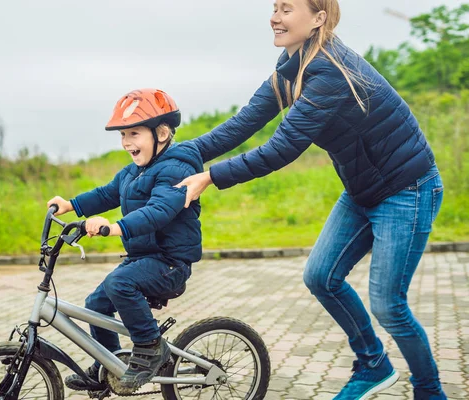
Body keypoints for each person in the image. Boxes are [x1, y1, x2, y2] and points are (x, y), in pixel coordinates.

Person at [175, 1, 446, 399]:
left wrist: (212, 176)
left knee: (388, 303)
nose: (275, 16)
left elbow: (282, 148)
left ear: (318, 18)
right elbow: (241, 124)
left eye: (287, 9)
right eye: (274, 7)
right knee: (320, 276)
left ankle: (430, 391)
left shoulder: (331, 72)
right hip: (362, 190)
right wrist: (174, 155)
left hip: (409, 188)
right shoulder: (290, 70)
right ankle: (373, 365)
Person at [47, 88, 204, 392]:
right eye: (122, 135)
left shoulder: (176, 168)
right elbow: (106, 194)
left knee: (120, 284)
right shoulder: (132, 172)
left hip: (170, 263)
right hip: (144, 259)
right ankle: (109, 364)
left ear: (161, 133)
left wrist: (113, 228)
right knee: (96, 303)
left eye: (134, 133)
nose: (126, 142)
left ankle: (150, 347)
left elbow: (159, 211)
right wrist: (70, 205)